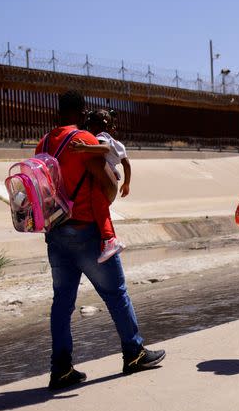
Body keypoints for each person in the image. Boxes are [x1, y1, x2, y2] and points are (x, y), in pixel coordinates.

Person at [38, 90, 165, 390]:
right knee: (116, 293)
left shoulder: (43, 144)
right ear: (82, 112)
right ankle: (133, 354)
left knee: (62, 303)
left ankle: (61, 369)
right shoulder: (84, 140)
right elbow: (108, 186)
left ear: (59, 111)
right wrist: (108, 192)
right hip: (87, 232)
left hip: (55, 233)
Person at [71, 109, 131, 263]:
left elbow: (104, 149)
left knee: (100, 208)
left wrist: (84, 148)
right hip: (112, 180)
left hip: (104, 180)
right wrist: (127, 183)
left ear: (95, 126)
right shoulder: (117, 143)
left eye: (89, 126)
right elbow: (127, 164)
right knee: (102, 208)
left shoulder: (101, 137)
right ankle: (109, 239)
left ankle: (109, 240)